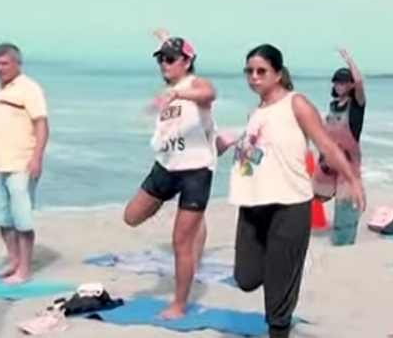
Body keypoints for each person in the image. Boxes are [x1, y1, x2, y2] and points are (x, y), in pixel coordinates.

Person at [228, 44, 365, 338]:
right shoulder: (255, 112)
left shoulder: (296, 103)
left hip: (290, 205)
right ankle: (285, 268)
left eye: (261, 71)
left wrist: (352, 180)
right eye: (249, 71)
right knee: (246, 278)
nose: (254, 77)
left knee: (278, 293)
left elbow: (326, 145)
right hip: (251, 205)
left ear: (278, 74)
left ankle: (280, 322)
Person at [122, 35, 217, 320]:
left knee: (180, 242)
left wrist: (177, 94)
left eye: (171, 59)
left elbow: (209, 93)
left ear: (187, 62)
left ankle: (179, 304)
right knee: (131, 216)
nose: (164, 63)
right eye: (161, 59)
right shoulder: (169, 91)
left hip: (194, 172)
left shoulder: (193, 85)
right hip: (165, 167)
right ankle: (193, 217)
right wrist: (166, 42)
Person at [0, 43, 49, 283]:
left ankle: (24, 269)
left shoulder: (28, 89)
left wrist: (37, 158)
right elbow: (0, 130)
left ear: (17, 64)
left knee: (22, 220)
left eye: (4, 63)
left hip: (21, 165)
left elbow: (41, 124)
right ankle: (13, 261)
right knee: (1, 219)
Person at [314, 49, 366, 244]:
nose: (339, 85)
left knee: (345, 201)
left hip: (348, 161)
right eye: (337, 82)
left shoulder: (357, 105)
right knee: (314, 193)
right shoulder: (333, 105)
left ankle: (343, 240)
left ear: (350, 85)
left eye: (344, 82)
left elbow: (359, 83)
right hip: (328, 158)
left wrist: (349, 60)